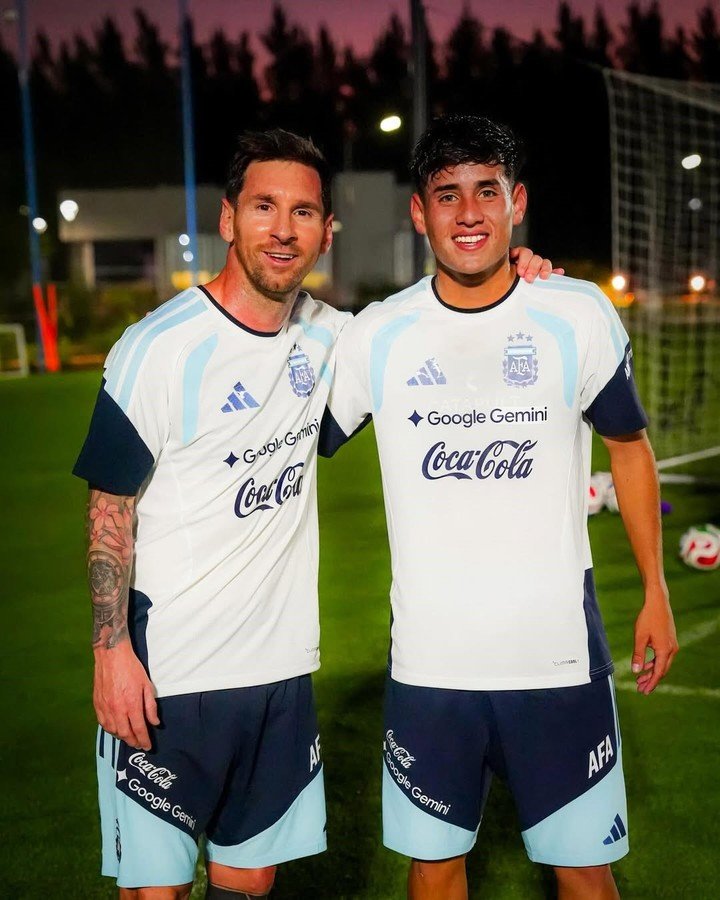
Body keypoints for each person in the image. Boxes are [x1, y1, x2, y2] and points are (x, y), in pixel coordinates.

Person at [73, 127, 554, 899]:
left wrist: (518, 269)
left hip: (280, 676)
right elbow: (109, 504)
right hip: (169, 676)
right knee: (151, 892)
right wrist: (110, 652)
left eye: (303, 213)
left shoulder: (337, 342)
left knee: (249, 882)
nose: (283, 229)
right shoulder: (158, 347)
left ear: (327, 232)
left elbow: (449, 320)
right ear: (228, 218)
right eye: (264, 206)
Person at [319, 114, 679, 900]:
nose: (469, 213)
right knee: (436, 868)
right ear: (419, 212)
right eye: (447, 195)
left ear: (516, 201)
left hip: (556, 658)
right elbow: (286, 435)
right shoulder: (374, 336)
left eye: (487, 192)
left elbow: (629, 448)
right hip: (430, 665)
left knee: (584, 870)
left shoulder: (574, 314)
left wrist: (656, 590)